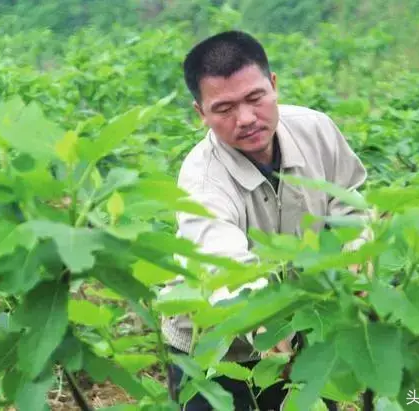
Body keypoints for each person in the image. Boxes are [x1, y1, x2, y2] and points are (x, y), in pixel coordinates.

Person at [161, 30, 370, 411]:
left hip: (307, 333)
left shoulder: (315, 131)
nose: (246, 119)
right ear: (200, 113)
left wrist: (355, 266)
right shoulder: (202, 178)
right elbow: (223, 265)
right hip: (218, 351)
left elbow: (350, 205)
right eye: (223, 109)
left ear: (273, 85)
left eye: (256, 98)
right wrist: (267, 321)